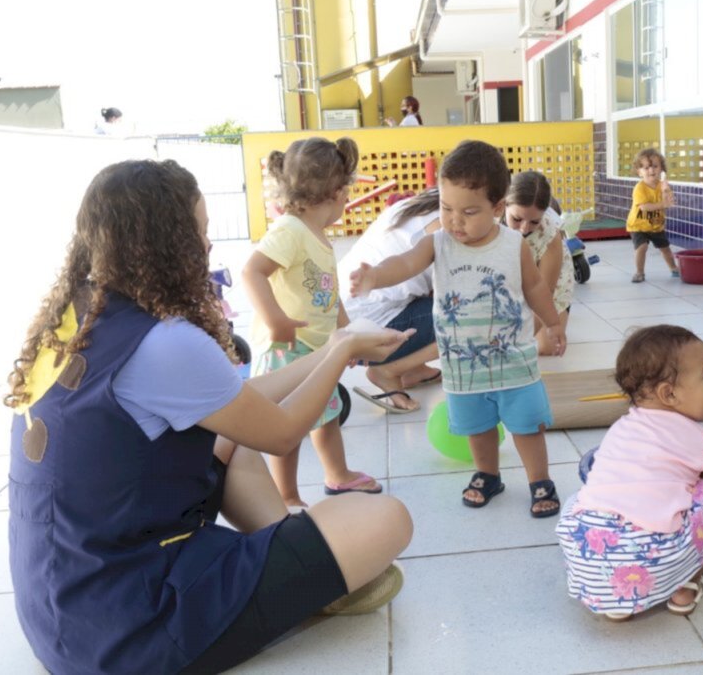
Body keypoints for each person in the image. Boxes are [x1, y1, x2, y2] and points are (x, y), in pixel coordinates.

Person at [5, 159, 414, 674]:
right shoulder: (164, 342)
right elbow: (282, 433)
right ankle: (305, 573)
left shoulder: (81, 315)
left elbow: (233, 405)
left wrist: (336, 343)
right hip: (131, 629)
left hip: (65, 607)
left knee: (230, 439)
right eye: (197, 232)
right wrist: (339, 355)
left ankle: (300, 567)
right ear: (163, 243)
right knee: (387, 517)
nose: (206, 246)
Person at [349, 140, 567, 518]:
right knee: (477, 427)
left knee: (527, 425)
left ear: (498, 208)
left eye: (469, 212)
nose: (455, 221)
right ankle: (487, 474)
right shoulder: (437, 243)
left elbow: (535, 287)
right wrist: (375, 276)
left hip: (513, 361)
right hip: (463, 365)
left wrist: (551, 322)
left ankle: (539, 480)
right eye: (446, 208)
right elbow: (405, 263)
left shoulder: (513, 244)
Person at [555, 325, 703, 620]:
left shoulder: (620, 429)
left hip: (587, 556)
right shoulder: (700, 438)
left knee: (580, 499)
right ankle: (686, 584)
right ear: (669, 394)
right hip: (654, 559)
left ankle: (616, 603)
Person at [243, 136, 380, 506]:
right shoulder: (289, 230)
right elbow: (252, 272)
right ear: (338, 192)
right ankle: (286, 495)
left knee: (327, 413)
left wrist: (345, 333)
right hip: (287, 348)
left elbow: (328, 292)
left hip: (316, 349)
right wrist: (276, 321)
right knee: (285, 427)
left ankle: (338, 475)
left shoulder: (315, 234)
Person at [337, 188, 443, 413]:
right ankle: (389, 371)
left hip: (345, 314)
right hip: (367, 331)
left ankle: (413, 368)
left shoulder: (418, 203)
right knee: (468, 320)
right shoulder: (444, 227)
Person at [504, 171, 575, 356]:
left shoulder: (550, 233)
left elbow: (544, 291)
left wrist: (520, 341)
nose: (524, 228)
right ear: (504, 204)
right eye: (516, 219)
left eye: (534, 221)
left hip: (547, 284)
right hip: (510, 277)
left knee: (547, 348)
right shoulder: (490, 222)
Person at [627, 147, 679, 282]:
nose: (651, 170)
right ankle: (639, 272)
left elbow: (668, 202)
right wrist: (663, 204)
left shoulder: (663, 185)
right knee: (641, 247)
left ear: (661, 169)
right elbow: (644, 207)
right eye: (646, 168)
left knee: (665, 248)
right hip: (638, 225)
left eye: (655, 166)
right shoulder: (640, 188)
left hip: (656, 225)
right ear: (639, 172)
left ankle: (674, 268)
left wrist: (666, 191)